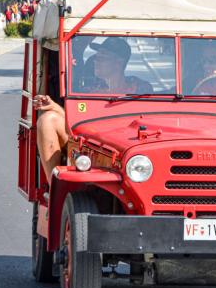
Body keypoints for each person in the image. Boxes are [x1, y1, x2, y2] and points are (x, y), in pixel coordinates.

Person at [34, 38, 152, 181]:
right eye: (96, 57)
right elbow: (76, 123)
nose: (95, 60)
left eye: (102, 57)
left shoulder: (140, 88)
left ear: (118, 62)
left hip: (127, 150)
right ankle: (53, 186)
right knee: (48, 119)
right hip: (90, 147)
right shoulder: (91, 90)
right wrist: (54, 107)